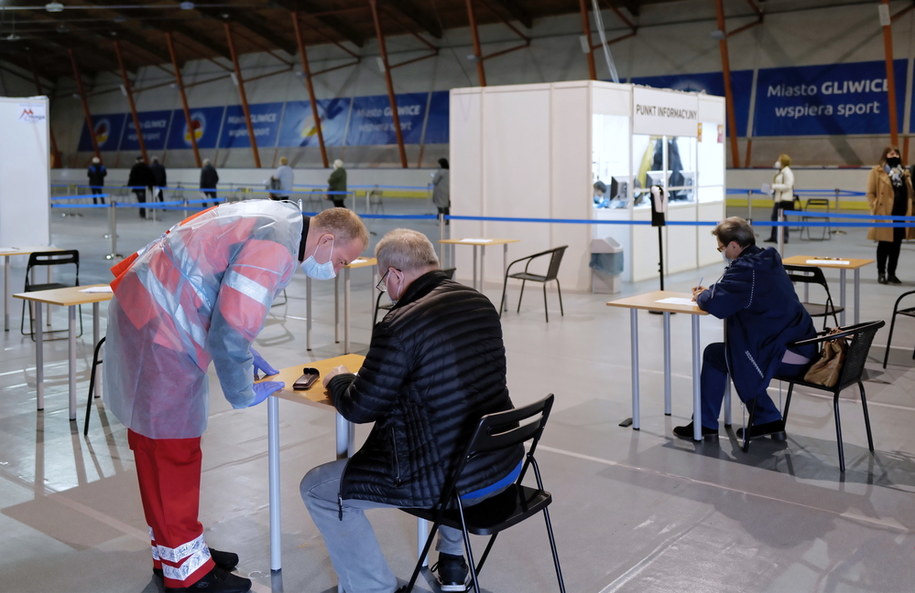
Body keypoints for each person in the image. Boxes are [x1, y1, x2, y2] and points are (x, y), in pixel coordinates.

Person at [104, 203, 368, 593]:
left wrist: (244, 354)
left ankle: (175, 551)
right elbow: (232, 326)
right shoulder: (278, 245)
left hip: (148, 308)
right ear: (327, 239)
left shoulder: (278, 218)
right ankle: (189, 576)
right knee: (174, 446)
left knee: (153, 441)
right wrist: (243, 390)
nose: (337, 270)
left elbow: (222, 292)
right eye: (342, 261)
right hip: (164, 324)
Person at [300, 228, 522, 593]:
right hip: (502, 461)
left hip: (455, 480)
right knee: (454, 423)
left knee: (317, 489)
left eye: (382, 282)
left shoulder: (399, 324)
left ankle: (373, 588)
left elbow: (359, 407)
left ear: (395, 275)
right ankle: (452, 567)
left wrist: (338, 380)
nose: (386, 290)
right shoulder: (478, 302)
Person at [673, 217, 817, 442]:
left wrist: (702, 295)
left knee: (719, 355)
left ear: (733, 245)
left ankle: (705, 425)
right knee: (734, 353)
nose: (722, 253)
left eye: (721, 248)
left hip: (787, 354)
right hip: (799, 345)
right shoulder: (765, 260)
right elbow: (731, 292)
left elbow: (717, 304)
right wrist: (712, 292)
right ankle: (767, 419)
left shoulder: (747, 270)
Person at [866, 146, 914, 284]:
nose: (894, 155)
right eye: (890, 153)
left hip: (901, 213)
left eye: (896, 153)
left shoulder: (905, 173)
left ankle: (892, 273)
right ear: (885, 155)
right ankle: (881, 273)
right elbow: (870, 192)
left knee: (896, 245)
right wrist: (875, 205)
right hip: (884, 214)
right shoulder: (877, 171)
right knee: (884, 245)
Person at [764, 153, 794, 243]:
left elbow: (788, 186)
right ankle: (774, 236)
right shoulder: (780, 171)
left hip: (784, 199)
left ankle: (784, 237)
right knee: (774, 217)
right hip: (778, 198)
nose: (777, 162)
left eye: (779, 160)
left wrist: (775, 186)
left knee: (782, 218)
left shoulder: (787, 172)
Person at [432, 157, 450, 222]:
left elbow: (434, 181)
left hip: (440, 191)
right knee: (446, 206)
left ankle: (442, 220)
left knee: (440, 205)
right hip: (448, 190)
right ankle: (447, 219)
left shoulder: (440, 172)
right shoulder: (450, 171)